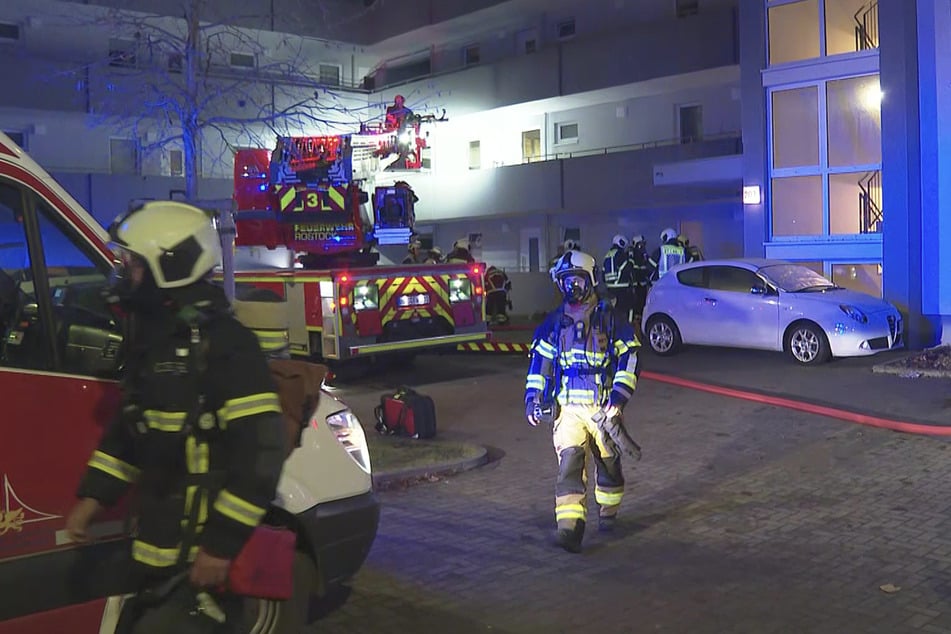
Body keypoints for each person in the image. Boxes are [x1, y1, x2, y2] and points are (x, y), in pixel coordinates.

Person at [64, 201, 287, 632]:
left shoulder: (226, 347)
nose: (124, 274)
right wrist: (91, 501)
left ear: (171, 266)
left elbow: (261, 455)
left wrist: (220, 548)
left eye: (132, 264)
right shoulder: (158, 344)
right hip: (158, 560)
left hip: (200, 569)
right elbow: (131, 434)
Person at [524, 250, 642, 554]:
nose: (571, 287)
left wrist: (618, 397)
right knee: (570, 465)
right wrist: (532, 399)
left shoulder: (609, 318)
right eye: (565, 282)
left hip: (602, 408)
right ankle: (570, 528)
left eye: (577, 280)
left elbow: (630, 356)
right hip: (567, 411)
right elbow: (540, 364)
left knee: (608, 464)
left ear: (591, 279)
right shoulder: (553, 324)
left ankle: (608, 512)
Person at [602, 234, 635, 323]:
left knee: (613, 311)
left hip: (610, 289)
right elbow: (629, 268)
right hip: (622, 288)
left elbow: (603, 274)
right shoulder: (621, 254)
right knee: (629, 308)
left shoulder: (607, 255)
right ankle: (629, 328)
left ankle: (614, 329)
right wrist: (631, 257)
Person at [629, 234, 651, 325]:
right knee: (635, 303)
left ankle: (641, 320)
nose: (642, 247)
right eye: (640, 245)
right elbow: (631, 268)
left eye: (643, 244)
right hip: (635, 284)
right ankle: (634, 322)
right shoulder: (632, 254)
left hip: (642, 283)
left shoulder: (644, 254)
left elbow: (648, 266)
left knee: (642, 302)